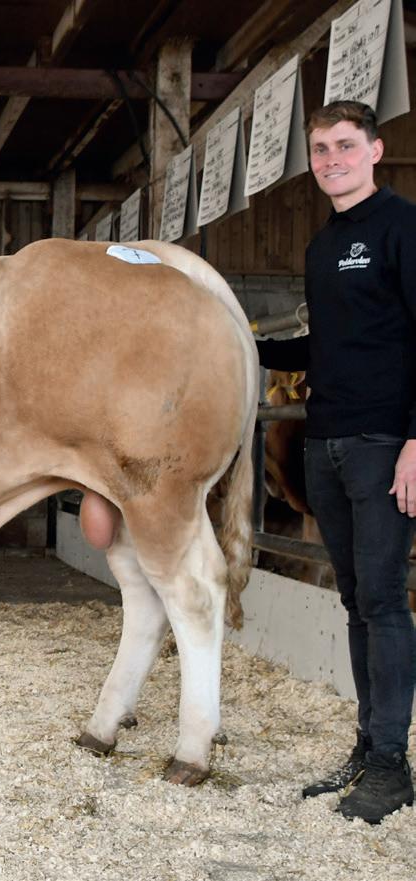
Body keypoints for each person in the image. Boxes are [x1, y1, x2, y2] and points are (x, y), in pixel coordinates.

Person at [256, 101, 415, 824]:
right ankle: (368, 746)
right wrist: (239, 342)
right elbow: (322, 347)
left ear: (374, 151)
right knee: (354, 602)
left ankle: (391, 766)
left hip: (383, 444)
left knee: (383, 602)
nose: (331, 160)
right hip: (323, 442)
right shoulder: (323, 246)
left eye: (345, 146)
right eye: (320, 149)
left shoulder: (402, 227)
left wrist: (415, 443)